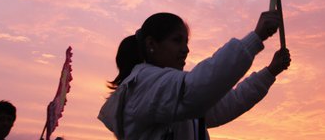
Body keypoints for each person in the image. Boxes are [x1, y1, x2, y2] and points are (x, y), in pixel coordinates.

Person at [98, 10, 291, 140]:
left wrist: (269, 72)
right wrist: (255, 38)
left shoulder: (169, 92)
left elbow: (225, 105)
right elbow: (195, 90)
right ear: (151, 45)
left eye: (186, 42)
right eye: (177, 41)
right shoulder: (144, 83)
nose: (186, 50)